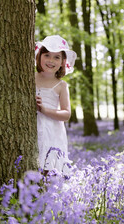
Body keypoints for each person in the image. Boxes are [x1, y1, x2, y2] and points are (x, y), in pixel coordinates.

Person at [35, 35, 77, 175]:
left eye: (56, 57)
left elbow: (66, 114)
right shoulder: (29, 77)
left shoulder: (61, 85)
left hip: (51, 131)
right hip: (32, 127)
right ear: (39, 55)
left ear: (62, 62)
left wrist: (45, 110)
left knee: (48, 167)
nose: (51, 61)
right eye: (47, 55)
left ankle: (45, 195)